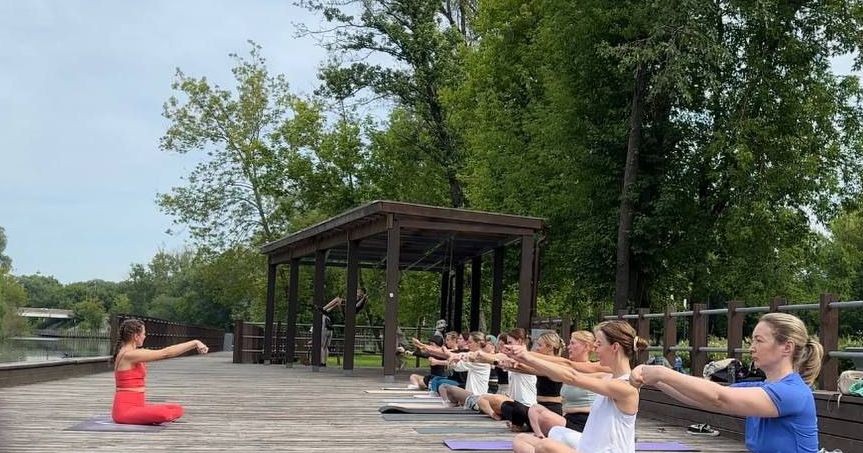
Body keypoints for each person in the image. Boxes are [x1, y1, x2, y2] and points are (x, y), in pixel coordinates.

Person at [630, 313, 823, 453]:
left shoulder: (793, 393)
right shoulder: (761, 388)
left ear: (787, 347)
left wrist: (663, 373)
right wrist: (654, 380)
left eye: (759, 341)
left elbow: (718, 397)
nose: (751, 348)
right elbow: (703, 398)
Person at [508, 320, 646, 453]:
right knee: (521, 440)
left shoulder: (626, 388)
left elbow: (573, 376)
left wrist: (528, 358)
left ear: (615, 347)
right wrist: (521, 362)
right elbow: (563, 372)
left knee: (545, 446)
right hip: (588, 446)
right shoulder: (607, 377)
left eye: (599, 344)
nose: (595, 349)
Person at [112, 318, 209, 425]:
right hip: (125, 411)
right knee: (164, 414)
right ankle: (147, 416)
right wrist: (195, 343)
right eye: (144, 334)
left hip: (138, 406)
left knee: (177, 409)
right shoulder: (129, 355)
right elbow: (165, 353)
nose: (145, 336)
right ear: (136, 336)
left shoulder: (131, 353)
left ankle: (146, 415)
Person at [527, 330, 599, 437]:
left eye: (573, 343)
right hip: (567, 420)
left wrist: (525, 355)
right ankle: (541, 438)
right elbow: (532, 368)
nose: (569, 347)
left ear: (586, 346)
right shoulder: (566, 367)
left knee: (538, 413)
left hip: (585, 425)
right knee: (521, 440)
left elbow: (564, 364)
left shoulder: (595, 370)